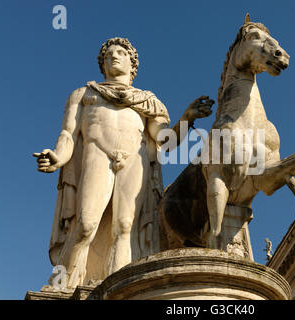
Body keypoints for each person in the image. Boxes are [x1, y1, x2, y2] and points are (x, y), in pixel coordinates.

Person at [33, 37, 213, 288]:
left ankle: (119, 290)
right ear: (102, 64)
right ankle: (62, 287)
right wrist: (57, 157)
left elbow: (165, 140)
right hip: (97, 154)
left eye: (120, 53)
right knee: (85, 225)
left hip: (135, 159)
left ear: (132, 63)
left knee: (125, 227)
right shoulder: (84, 94)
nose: (114, 56)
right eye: (108, 55)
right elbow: (68, 134)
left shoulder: (147, 101)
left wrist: (186, 118)